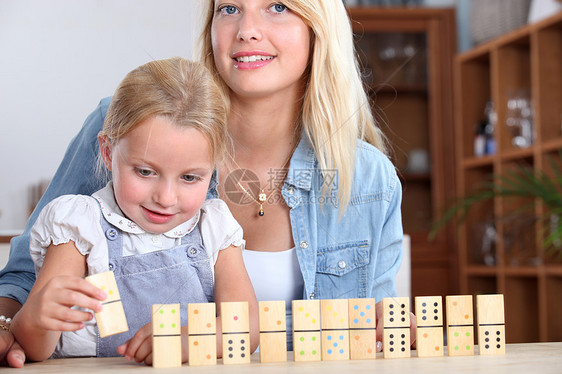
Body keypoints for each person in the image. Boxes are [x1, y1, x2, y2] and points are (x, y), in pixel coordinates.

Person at [0, 0, 414, 367]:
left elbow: (379, 319)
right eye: (229, 9)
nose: (246, 29)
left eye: (279, 6)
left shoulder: (367, 176)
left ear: (318, 26)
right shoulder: (134, 127)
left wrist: (394, 326)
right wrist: (9, 325)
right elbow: (22, 281)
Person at [7, 57, 258, 364]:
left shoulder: (214, 228)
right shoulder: (79, 226)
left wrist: (196, 339)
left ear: (213, 169)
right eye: (144, 172)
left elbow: (247, 329)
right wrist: (34, 318)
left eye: (190, 178)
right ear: (108, 151)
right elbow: (34, 348)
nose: (166, 198)